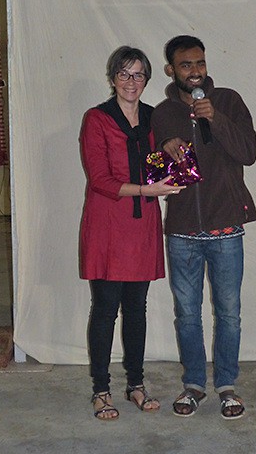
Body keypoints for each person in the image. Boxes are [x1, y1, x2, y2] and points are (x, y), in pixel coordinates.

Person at [151, 35, 256, 420]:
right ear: (171, 70)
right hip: (182, 230)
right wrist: (164, 150)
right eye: (186, 65)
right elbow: (156, 173)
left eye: (200, 63)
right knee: (187, 314)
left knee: (229, 312)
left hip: (225, 227)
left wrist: (216, 118)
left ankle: (227, 385)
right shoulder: (162, 113)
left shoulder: (227, 101)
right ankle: (194, 385)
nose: (195, 71)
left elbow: (249, 153)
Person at [79, 45, 184, 421]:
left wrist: (178, 167)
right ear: (112, 78)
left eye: (138, 74)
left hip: (141, 226)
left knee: (137, 309)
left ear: (147, 80)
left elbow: (161, 167)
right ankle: (101, 390)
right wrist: (145, 190)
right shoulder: (97, 119)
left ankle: (136, 385)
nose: (131, 81)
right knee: (106, 309)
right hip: (108, 224)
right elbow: (100, 179)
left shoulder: (155, 119)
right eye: (124, 73)